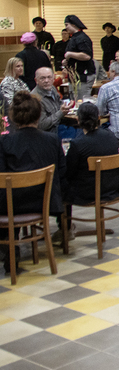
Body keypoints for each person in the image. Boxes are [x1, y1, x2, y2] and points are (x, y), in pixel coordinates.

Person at [0, 92, 66, 274]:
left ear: (13, 117)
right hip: (45, 202)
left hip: (12, 206)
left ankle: (8, 249)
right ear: (38, 115)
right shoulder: (52, 140)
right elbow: (62, 171)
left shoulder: (5, 142)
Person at [61, 102, 119, 241]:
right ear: (99, 117)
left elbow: (69, 173)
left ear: (78, 119)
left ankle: (64, 230)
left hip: (88, 193)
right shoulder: (111, 137)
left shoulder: (77, 144)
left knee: (61, 185)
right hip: (113, 188)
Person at [63, 15, 95, 101]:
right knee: (74, 100)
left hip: (82, 76)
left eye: (67, 25)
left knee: (82, 101)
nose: (66, 28)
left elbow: (87, 56)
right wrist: (67, 60)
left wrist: (69, 54)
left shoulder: (82, 37)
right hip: (74, 76)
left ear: (74, 24)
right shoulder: (74, 37)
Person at [27, 68, 68, 134]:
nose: (46, 81)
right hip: (48, 134)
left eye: (49, 77)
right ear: (36, 80)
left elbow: (59, 104)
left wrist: (65, 107)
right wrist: (61, 113)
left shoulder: (52, 88)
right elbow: (42, 125)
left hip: (59, 126)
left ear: (53, 78)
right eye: (42, 78)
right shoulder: (35, 99)